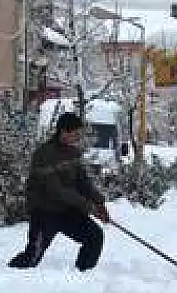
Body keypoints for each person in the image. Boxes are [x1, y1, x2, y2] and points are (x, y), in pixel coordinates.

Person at [8, 111, 112, 271]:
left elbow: (83, 182)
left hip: (67, 212)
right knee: (32, 257)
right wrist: (88, 206)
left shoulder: (74, 153)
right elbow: (57, 190)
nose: (78, 138)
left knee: (94, 236)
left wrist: (99, 202)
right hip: (45, 212)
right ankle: (8, 276)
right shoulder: (44, 154)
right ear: (63, 132)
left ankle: (82, 274)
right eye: (76, 134)